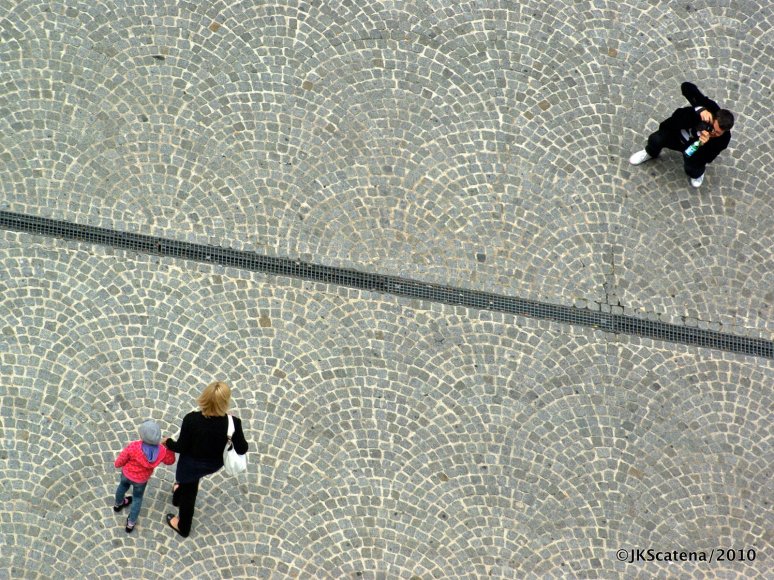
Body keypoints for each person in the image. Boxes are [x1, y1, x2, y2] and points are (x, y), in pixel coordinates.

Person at [163, 380, 248, 537]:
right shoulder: (233, 423)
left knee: (189, 492)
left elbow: (181, 447)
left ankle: (183, 526)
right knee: (188, 483)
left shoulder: (191, 420)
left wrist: (167, 442)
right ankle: (178, 494)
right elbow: (243, 448)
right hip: (212, 464)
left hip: (190, 464)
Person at [629, 82, 734, 188]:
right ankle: (650, 153)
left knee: (692, 169)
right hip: (676, 135)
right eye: (713, 129)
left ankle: (698, 174)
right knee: (655, 139)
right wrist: (700, 108)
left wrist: (700, 144)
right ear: (713, 117)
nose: (713, 133)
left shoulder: (723, 140)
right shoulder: (709, 107)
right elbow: (686, 87)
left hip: (693, 150)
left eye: (717, 133)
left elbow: (705, 158)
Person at [113, 419, 176, 533]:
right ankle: (131, 523)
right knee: (137, 499)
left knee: (122, 487)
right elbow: (170, 461)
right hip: (141, 480)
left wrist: (117, 464)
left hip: (126, 474)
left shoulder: (134, 446)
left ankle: (118, 504)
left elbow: (121, 459)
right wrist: (169, 447)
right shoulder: (162, 451)